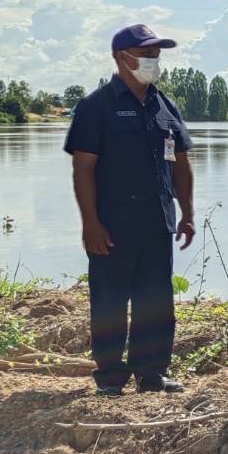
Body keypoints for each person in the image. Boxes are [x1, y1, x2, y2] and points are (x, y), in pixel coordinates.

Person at [64, 24, 195, 395]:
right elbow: (83, 168)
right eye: (146, 53)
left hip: (157, 223)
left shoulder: (165, 105)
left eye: (157, 53)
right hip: (112, 226)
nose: (153, 60)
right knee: (110, 302)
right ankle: (109, 377)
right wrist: (90, 223)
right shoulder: (96, 107)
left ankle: (152, 373)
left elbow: (181, 163)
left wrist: (187, 213)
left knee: (155, 301)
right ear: (121, 57)